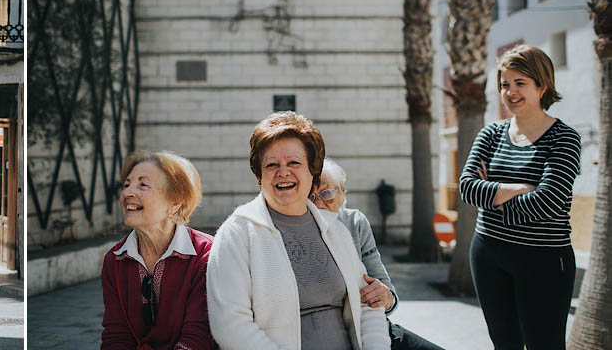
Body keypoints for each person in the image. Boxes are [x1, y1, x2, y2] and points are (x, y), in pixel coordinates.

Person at [207, 111, 389, 350]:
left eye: (294, 162)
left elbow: (367, 305)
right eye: (271, 165)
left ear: (312, 170)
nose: (283, 172)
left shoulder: (335, 229)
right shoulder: (237, 233)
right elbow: (230, 326)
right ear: (259, 175)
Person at [458, 45, 581, 349]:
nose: (510, 92)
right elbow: (467, 187)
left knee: (545, 344)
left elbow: (548, 201)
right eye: (504, 85)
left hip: (544, 260)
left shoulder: (564, 138)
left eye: (520, 83)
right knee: (504, 343)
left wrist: (493, 198)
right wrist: (516, 189)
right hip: (488, 255)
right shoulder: (490, 134)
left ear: (543, 85)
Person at [311, 159, 444, 350]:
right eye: (311, 197)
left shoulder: (355, 222)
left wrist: (386, 297)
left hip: (374, 327)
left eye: (327, 193)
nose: (319, 204)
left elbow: (384, 285)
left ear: (342, 196)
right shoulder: (301, 229)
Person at [101, 150, 213, 349]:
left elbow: (198, 336)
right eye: (126, 184)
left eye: (142, 185)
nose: (127, 193)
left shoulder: (207, 254)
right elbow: (116, 334)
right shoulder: (115, 260)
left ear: (175, 204)